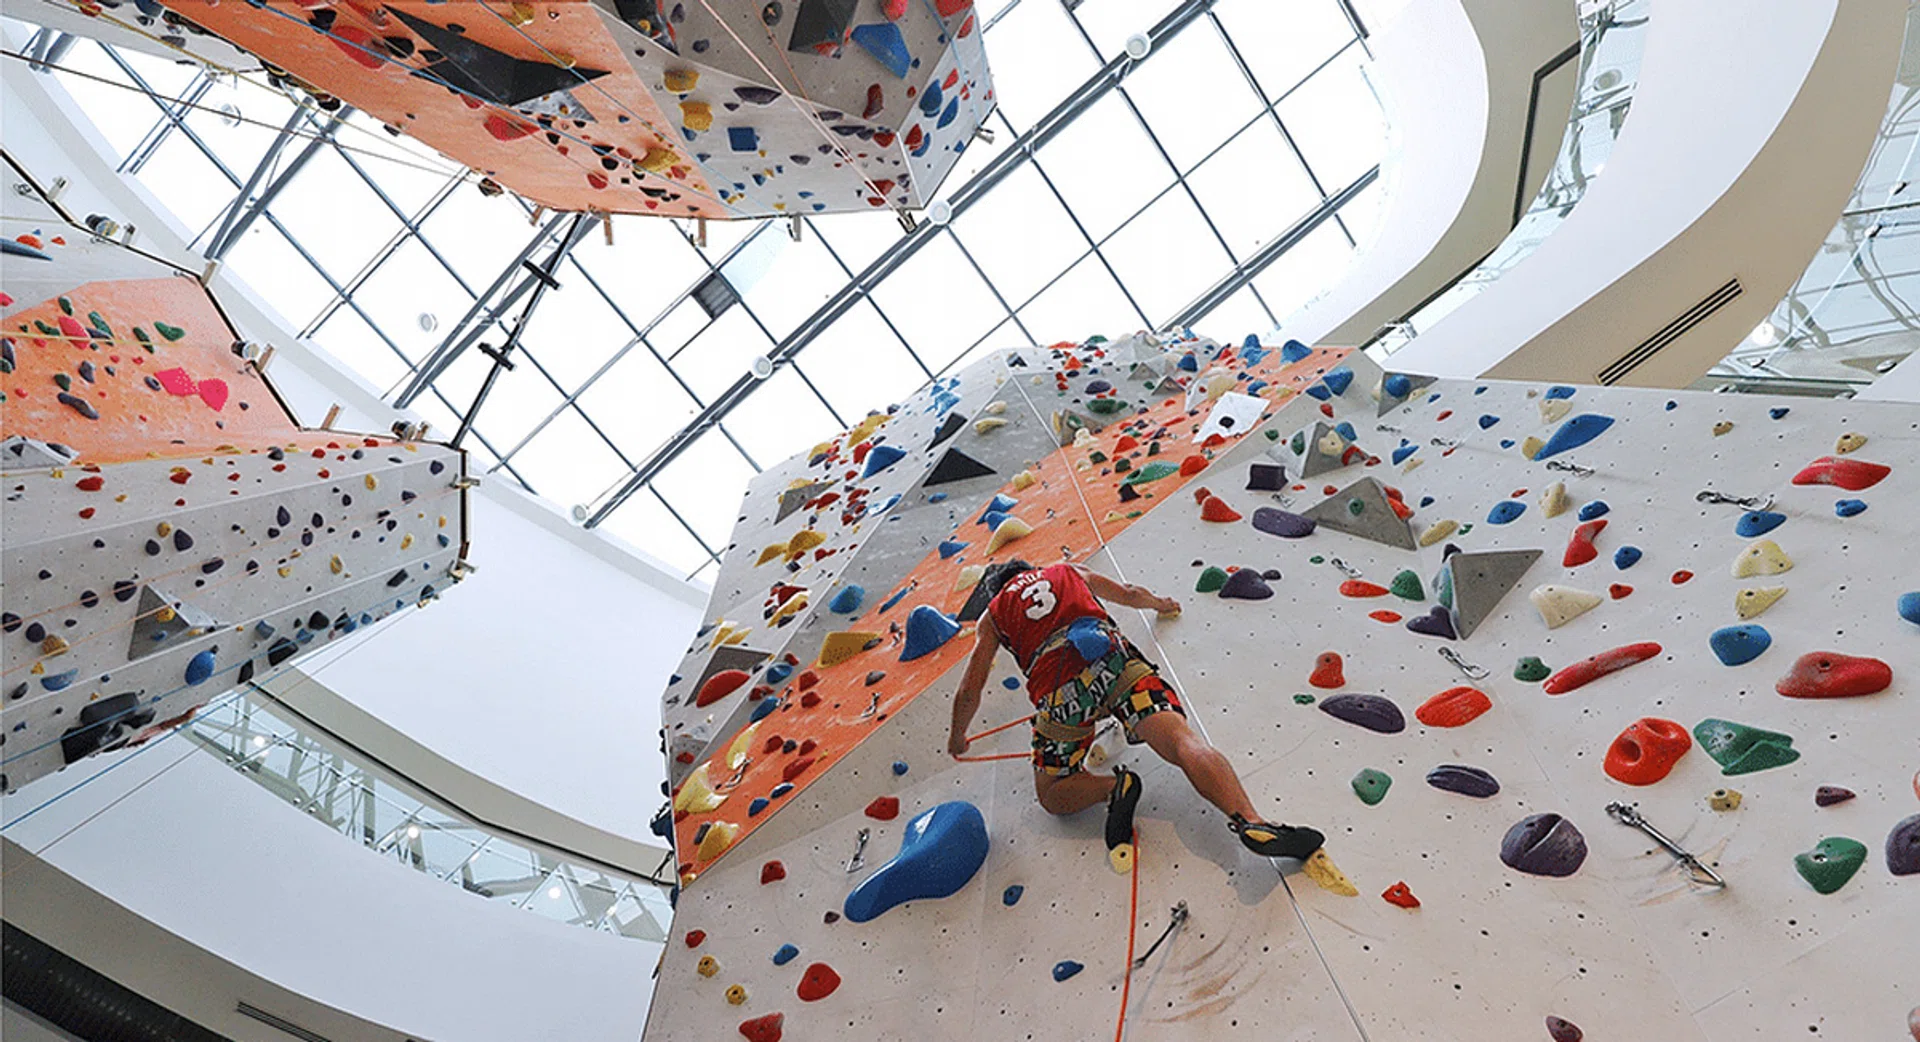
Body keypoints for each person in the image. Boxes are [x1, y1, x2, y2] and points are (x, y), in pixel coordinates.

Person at [947, 559, 1324, 860]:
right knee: (1181, 741)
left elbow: (970, 688)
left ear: (997, 589)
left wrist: (957, 736)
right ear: (1030, 569)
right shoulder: (1068, 571)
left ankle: (1115, 787)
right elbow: (1127, 593)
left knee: (1052, 793)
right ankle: (1251, 821)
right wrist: (1161, 604)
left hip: (1062, 692)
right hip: (1114, 661)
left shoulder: (994, 614)